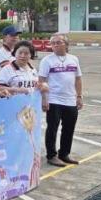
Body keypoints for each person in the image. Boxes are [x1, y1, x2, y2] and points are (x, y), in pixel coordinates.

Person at [38, 34, 83, 166]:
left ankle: (64, 153)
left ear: (66, 44)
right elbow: (41, 81)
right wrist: (44, 99)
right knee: (52, 128)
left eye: (59, 42)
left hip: (70, 99)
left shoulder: (74, 59)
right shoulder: (47, 61)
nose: (55, 45)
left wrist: (79, 96)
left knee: (69, 128)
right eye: (53, 43)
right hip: (54, 99)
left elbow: (78, 79)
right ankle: (51, 155)